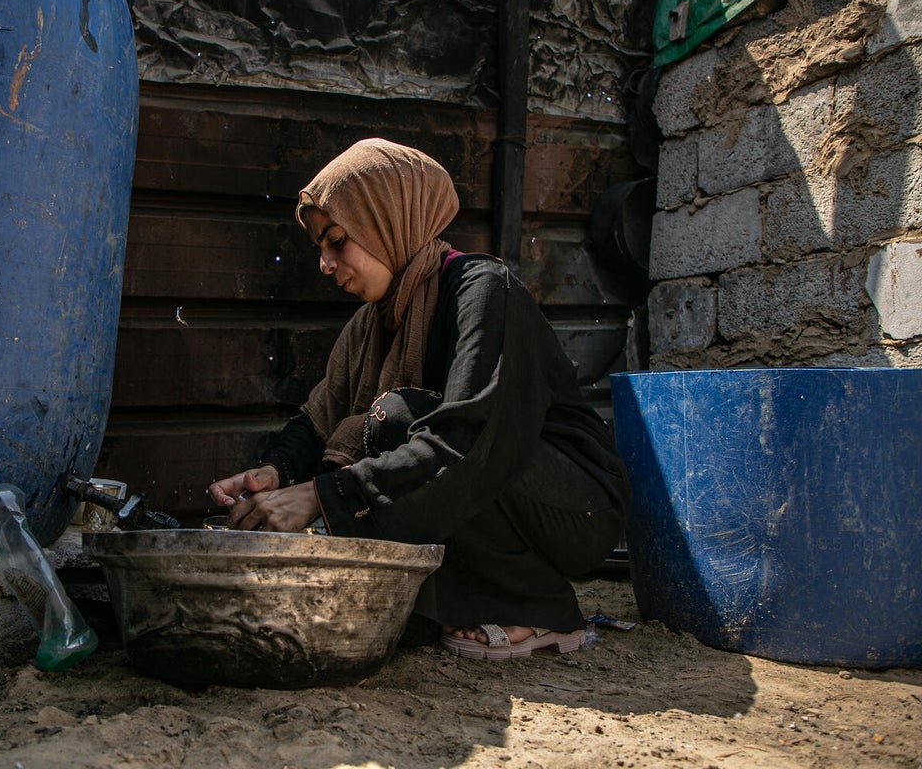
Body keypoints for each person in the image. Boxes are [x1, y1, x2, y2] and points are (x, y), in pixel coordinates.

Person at [206, 138, 630, 660]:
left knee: (393, 420)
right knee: (387, 427)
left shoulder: (482, 290)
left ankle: (539, 607)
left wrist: (320, 496)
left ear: (389, 220)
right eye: (320, 247)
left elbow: (469, 443)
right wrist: (271, 474)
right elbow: (320, 420)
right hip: (493, 480)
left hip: (574, 507)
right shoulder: (373, 323)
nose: (325, 263)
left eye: (338, 240)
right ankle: (455, 601)